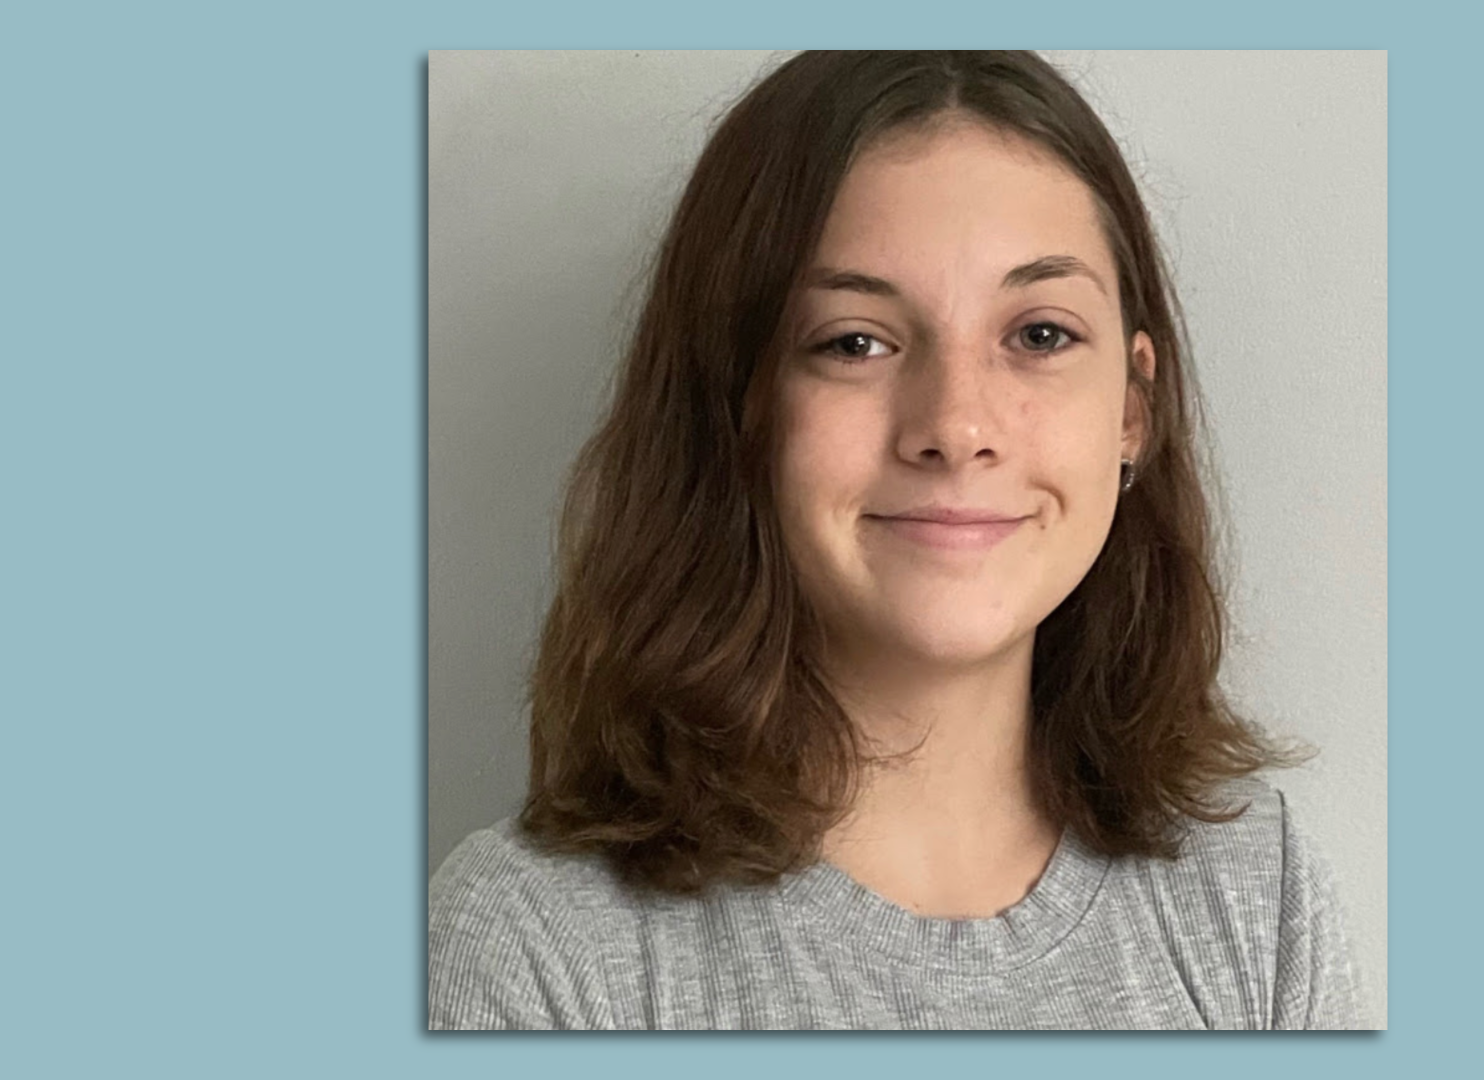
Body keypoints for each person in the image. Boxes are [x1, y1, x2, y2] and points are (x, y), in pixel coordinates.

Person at [429, 50, 1363, 1030]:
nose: (956, 426)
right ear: (741, 409)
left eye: (1039, 334)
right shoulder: (535, 946)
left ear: (1132, 409)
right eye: (855, 341)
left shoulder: (1261, 895)